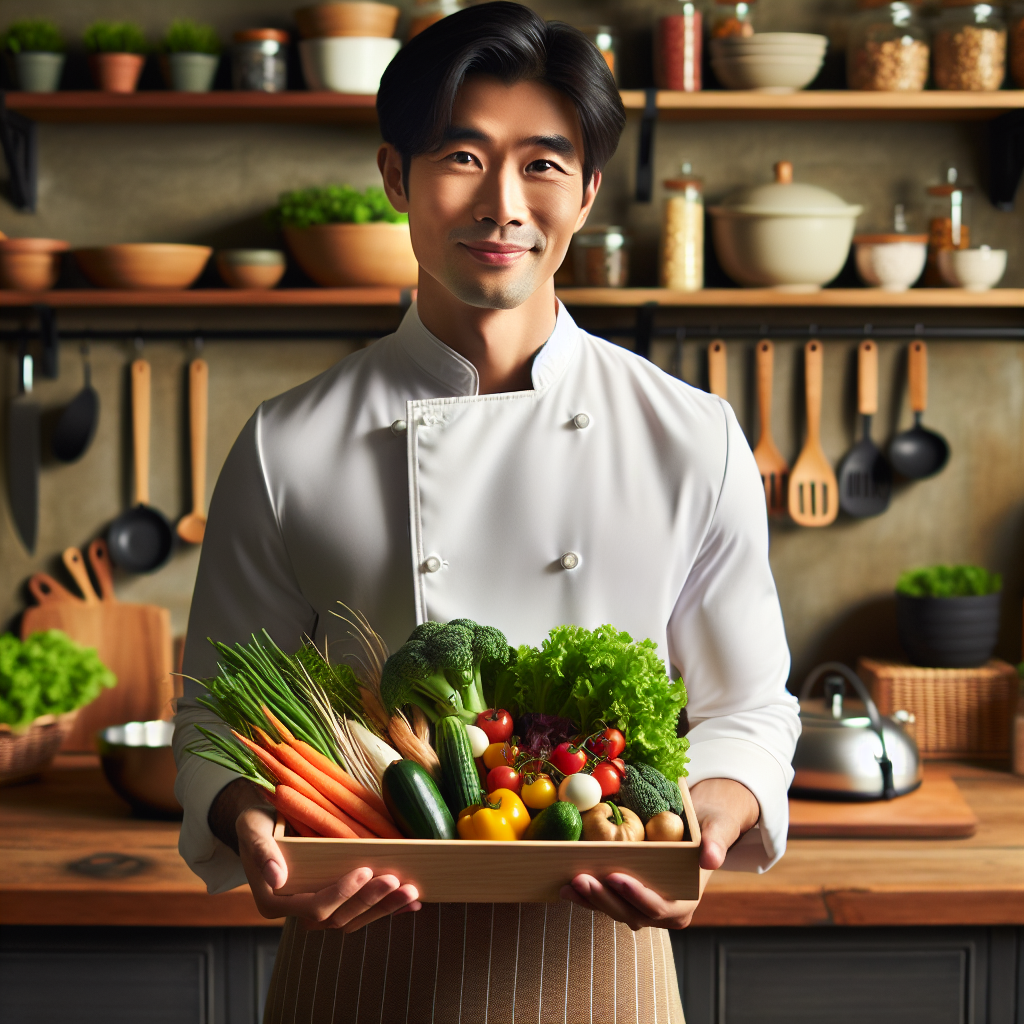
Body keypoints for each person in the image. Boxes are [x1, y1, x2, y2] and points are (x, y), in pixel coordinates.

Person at [173, 4, 800, 1021]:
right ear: (395, 178)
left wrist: (704, 822)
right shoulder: (288, 443)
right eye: (462, 156)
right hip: (361, 959)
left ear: (588, 191)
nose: (502, 203)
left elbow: (750, 708)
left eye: (543, 164)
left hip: (604, 953)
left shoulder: (693, 435)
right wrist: (250, 817)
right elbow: (213, 712)